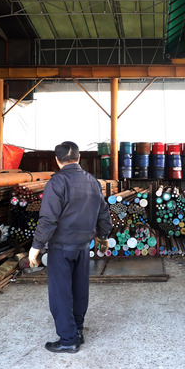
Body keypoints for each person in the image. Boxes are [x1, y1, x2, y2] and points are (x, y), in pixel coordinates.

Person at [29, 141, 112, 353]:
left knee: (61, 293)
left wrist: (36, 246)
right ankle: (78, 330)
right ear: (79, 157)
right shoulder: (92, 181)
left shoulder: (57, 182)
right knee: (79, 289)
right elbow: (103, 212)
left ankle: (68, 339)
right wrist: (103, 236)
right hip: (84, 246)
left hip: (61, 247)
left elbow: (48, 219)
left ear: (57, 160)